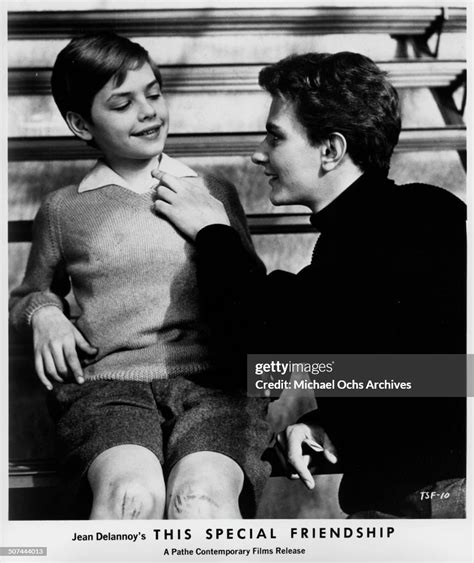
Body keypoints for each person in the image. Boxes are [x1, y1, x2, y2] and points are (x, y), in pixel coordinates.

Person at [153, 52, 466, 518]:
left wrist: (212, 232)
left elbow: (262, 347)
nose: (259, 153)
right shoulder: (395, 225)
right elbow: (411, 375)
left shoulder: (400, 228)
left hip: (440, 507)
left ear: (331, 150)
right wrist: (329, 424)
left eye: (276, 136)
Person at [9, 32, 272, 520]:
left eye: (153, 93)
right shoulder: (65, 209)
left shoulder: (214, 191)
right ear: (81, 123)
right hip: (109, 389)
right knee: (132, 499)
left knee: (201, 503)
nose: (148, 111)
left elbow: (252, 296)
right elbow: (28, 293)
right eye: (123, 103)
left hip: (215, 387)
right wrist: (45, 314)